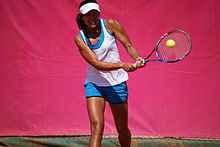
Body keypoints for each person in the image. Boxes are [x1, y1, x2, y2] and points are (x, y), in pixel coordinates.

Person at [74, 0, 145, 146]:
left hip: (116, 84)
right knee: (97, 129)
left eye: (95, 14)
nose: (92, 18)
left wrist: (137, 58)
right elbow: (97, 64)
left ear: (99, 14)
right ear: (82, 17)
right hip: (95, 84)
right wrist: (121, 65)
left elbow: (128, 45)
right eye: (88, 15)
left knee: (122, 129)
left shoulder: (111, 25)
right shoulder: (80, 38)